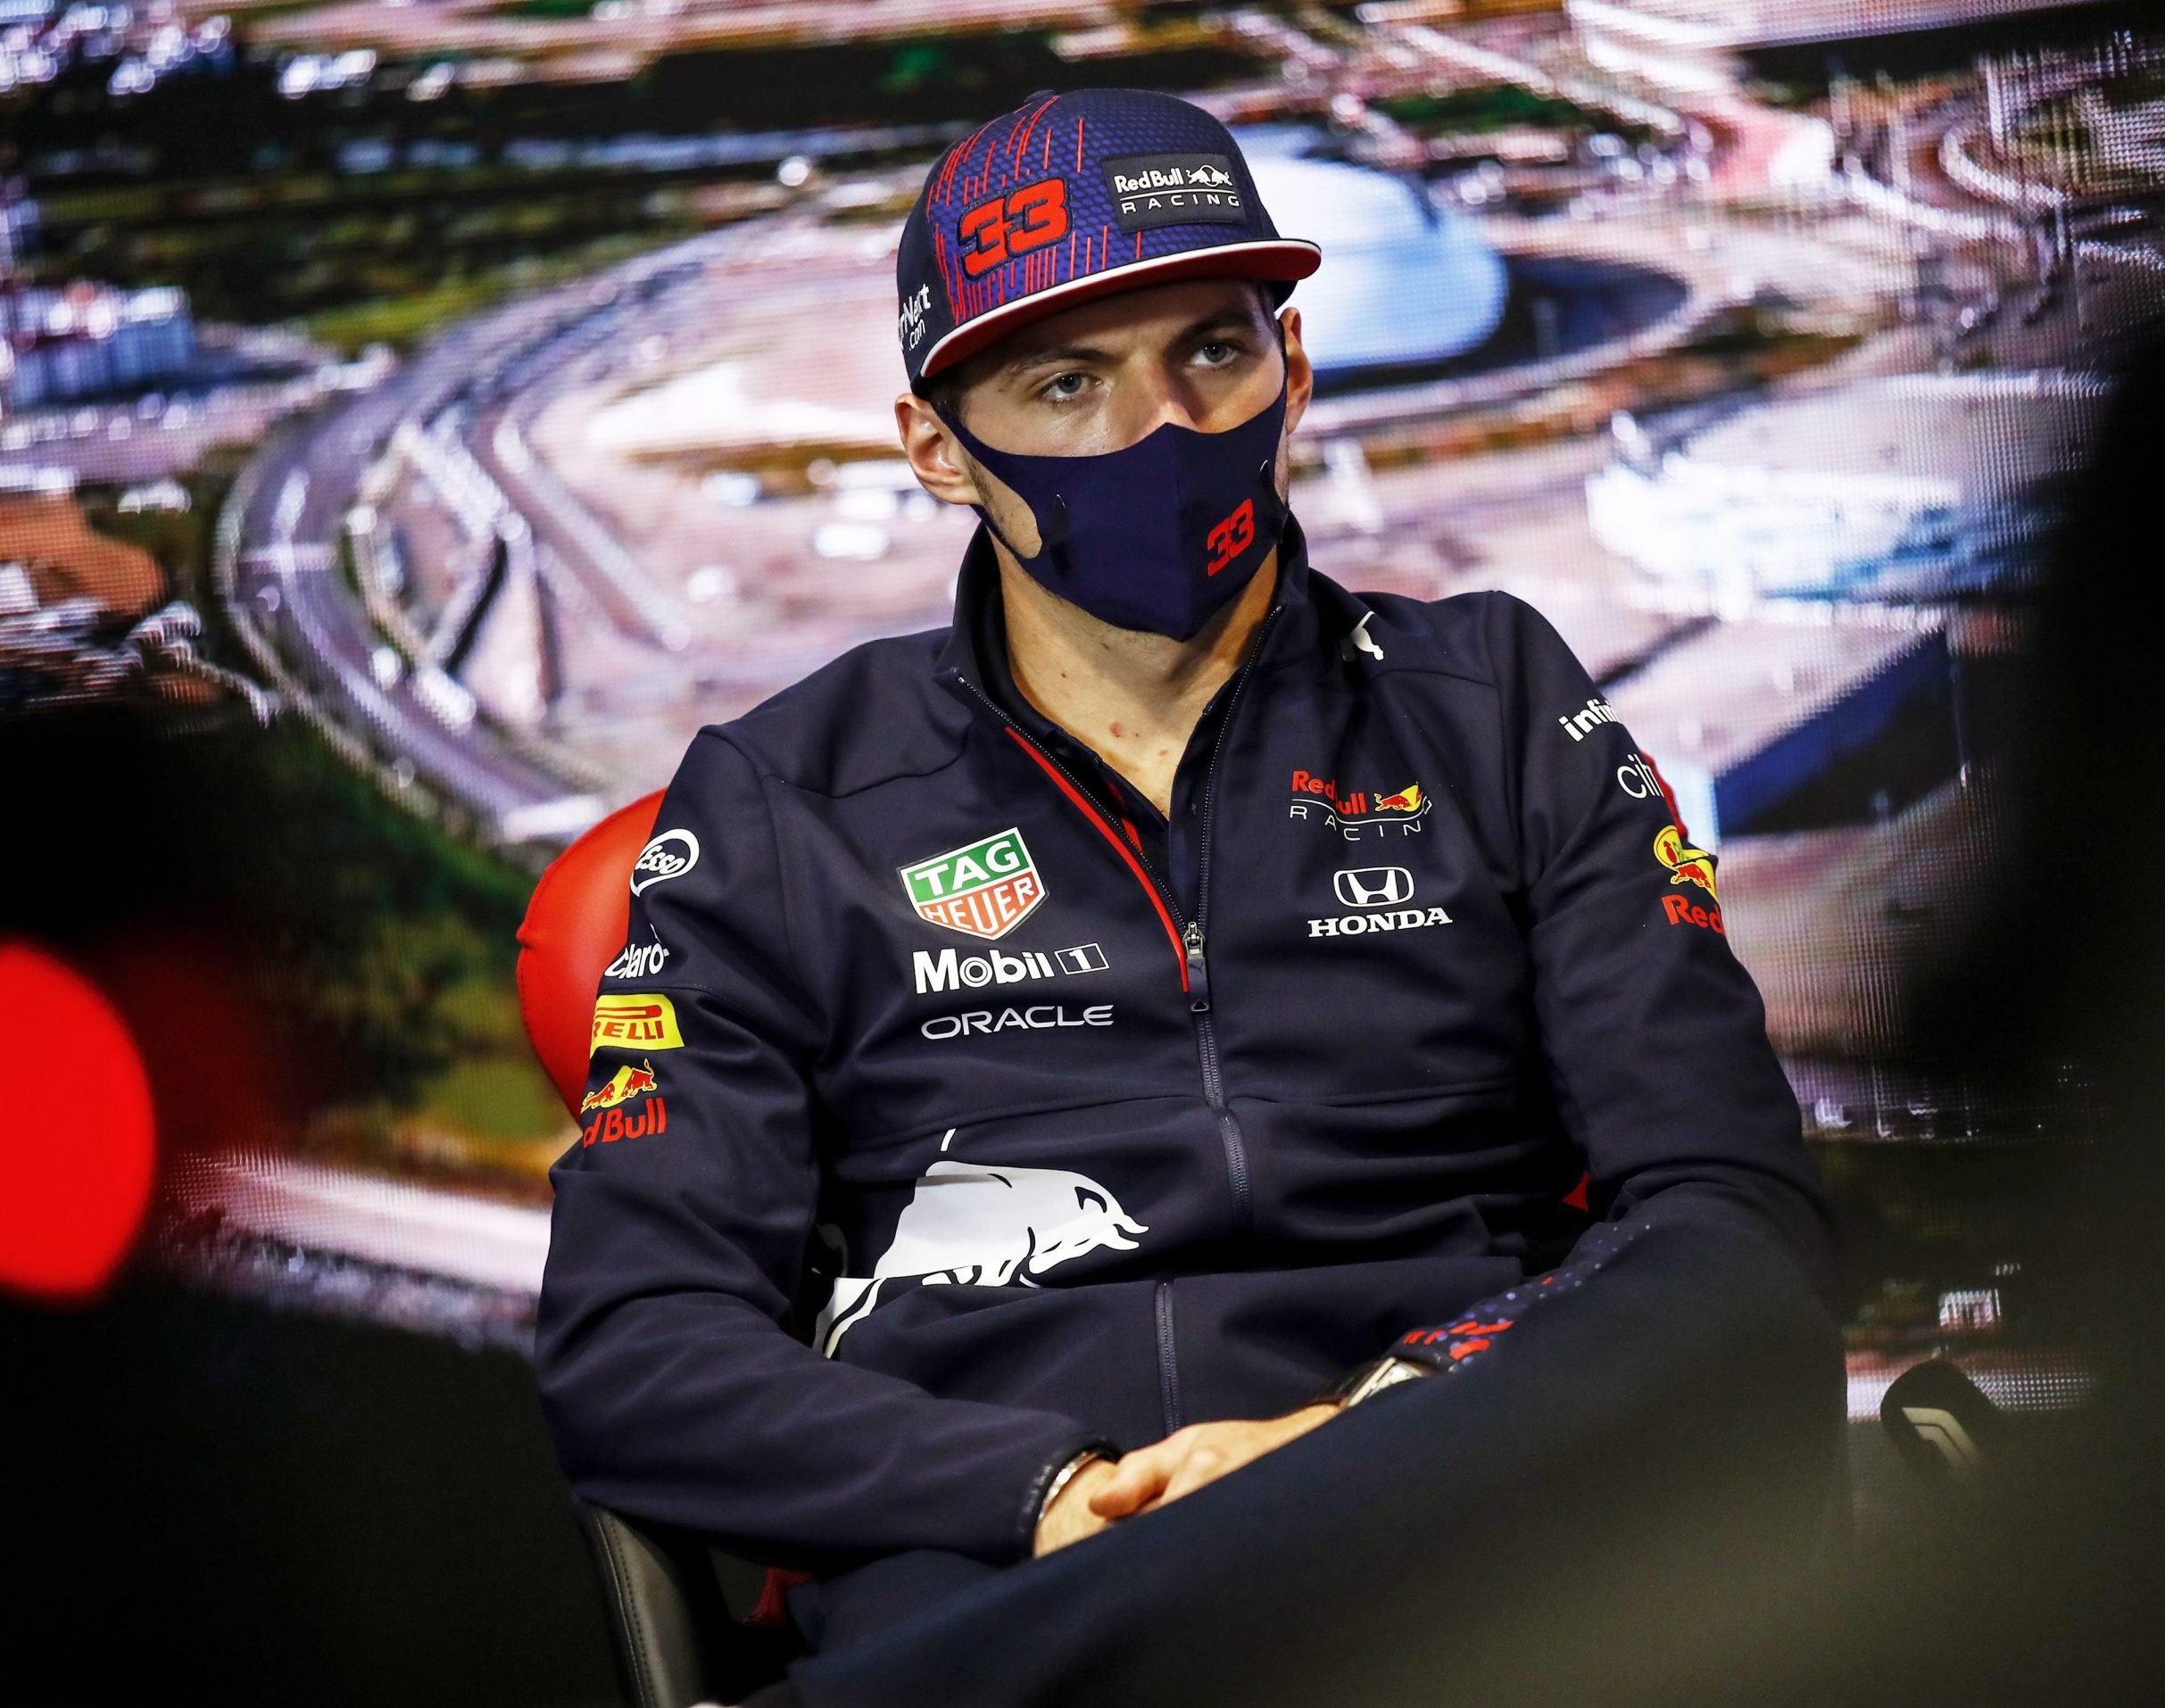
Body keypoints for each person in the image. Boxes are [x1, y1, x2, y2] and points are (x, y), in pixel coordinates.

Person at [535, 87, 1843, 1705]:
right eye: (1066, 381)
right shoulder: (782, 798)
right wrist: (1055, 1493)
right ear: (937, 447)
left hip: (1444, 1498)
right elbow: (636, 1344)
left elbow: (1727, 1216)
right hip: (1017, 1554)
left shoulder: (1494, 701)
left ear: (1292, 367)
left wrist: (1354, 1436)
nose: (1157, 427)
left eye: (1210, 353)